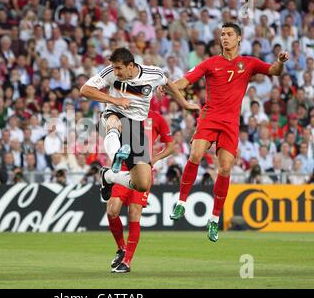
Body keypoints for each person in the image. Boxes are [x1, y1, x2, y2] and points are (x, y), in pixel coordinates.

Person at [170, 23, 289, 242]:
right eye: (222, 34)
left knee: (225, 168)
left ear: (239, 38)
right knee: (195, 154)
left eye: (229, 34)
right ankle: (181, 203)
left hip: (230, 122)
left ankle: (214, 219)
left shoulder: (249, 63)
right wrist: (169, 86)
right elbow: (186, 80)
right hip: (210, 116)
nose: (224, 38)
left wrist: (280, 62)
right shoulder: (210, 63)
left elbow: (273, 71)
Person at [80, 47, 197, 205]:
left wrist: (184, 103)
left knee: (142, 184)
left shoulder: (153, 74)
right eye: (114, 68)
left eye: (119, 68)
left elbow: (167, 83)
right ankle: (116, 156)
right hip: (112, 114)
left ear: (131, 66)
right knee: (114, 122)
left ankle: (108, 176)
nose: (115, 72)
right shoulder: (109, 72)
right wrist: (115, 101)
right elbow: (85, 90)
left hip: (135, 127)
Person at [107, 110, 174, 273]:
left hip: (142, 168)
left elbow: (171, 145)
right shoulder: (125, 113)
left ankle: (127, 261)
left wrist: (155, 159)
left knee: (134, 213)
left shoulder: (157, 118)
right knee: (111, 210)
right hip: (123, 166)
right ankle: (121, 248)